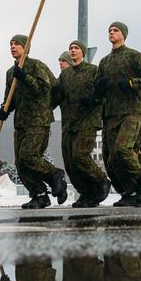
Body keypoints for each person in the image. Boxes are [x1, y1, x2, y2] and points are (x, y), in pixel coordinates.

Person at [0, 35, 67, 209]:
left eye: (17, 44)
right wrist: (4, 108)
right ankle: (39, 194)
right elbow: (10, 98)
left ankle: (55, 174)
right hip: (20, 121)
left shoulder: (37, 65)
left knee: (28, 155)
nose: (13, 46)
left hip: (38, 119)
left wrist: (25, 77)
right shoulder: (10, 72)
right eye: (11, 44)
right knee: (21, 163)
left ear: (26, 48)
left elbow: (45, 90)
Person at [93, 22, 141, 207]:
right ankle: (129, 192)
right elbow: (97, 89)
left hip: (132, 111)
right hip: (111, 114)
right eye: (110, 31)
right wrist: (99, 87)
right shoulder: (104, 61)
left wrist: (131, 83)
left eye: (116, 30)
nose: (112, 33)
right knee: (111, 160)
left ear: (124, 35)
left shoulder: (134, 56)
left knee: (122, 150)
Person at [53, 40, 110, 207]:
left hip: (88, 120)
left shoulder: (93, 71)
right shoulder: (65, 75)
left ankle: (102, 181)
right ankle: (86, 193)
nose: (72, 50)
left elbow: (103, 91)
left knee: (80, 155)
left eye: (76, 48)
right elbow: (56, 98)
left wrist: (94, 99)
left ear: (83, 53)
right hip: (69, 122)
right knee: (70, 162)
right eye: (70, 48)